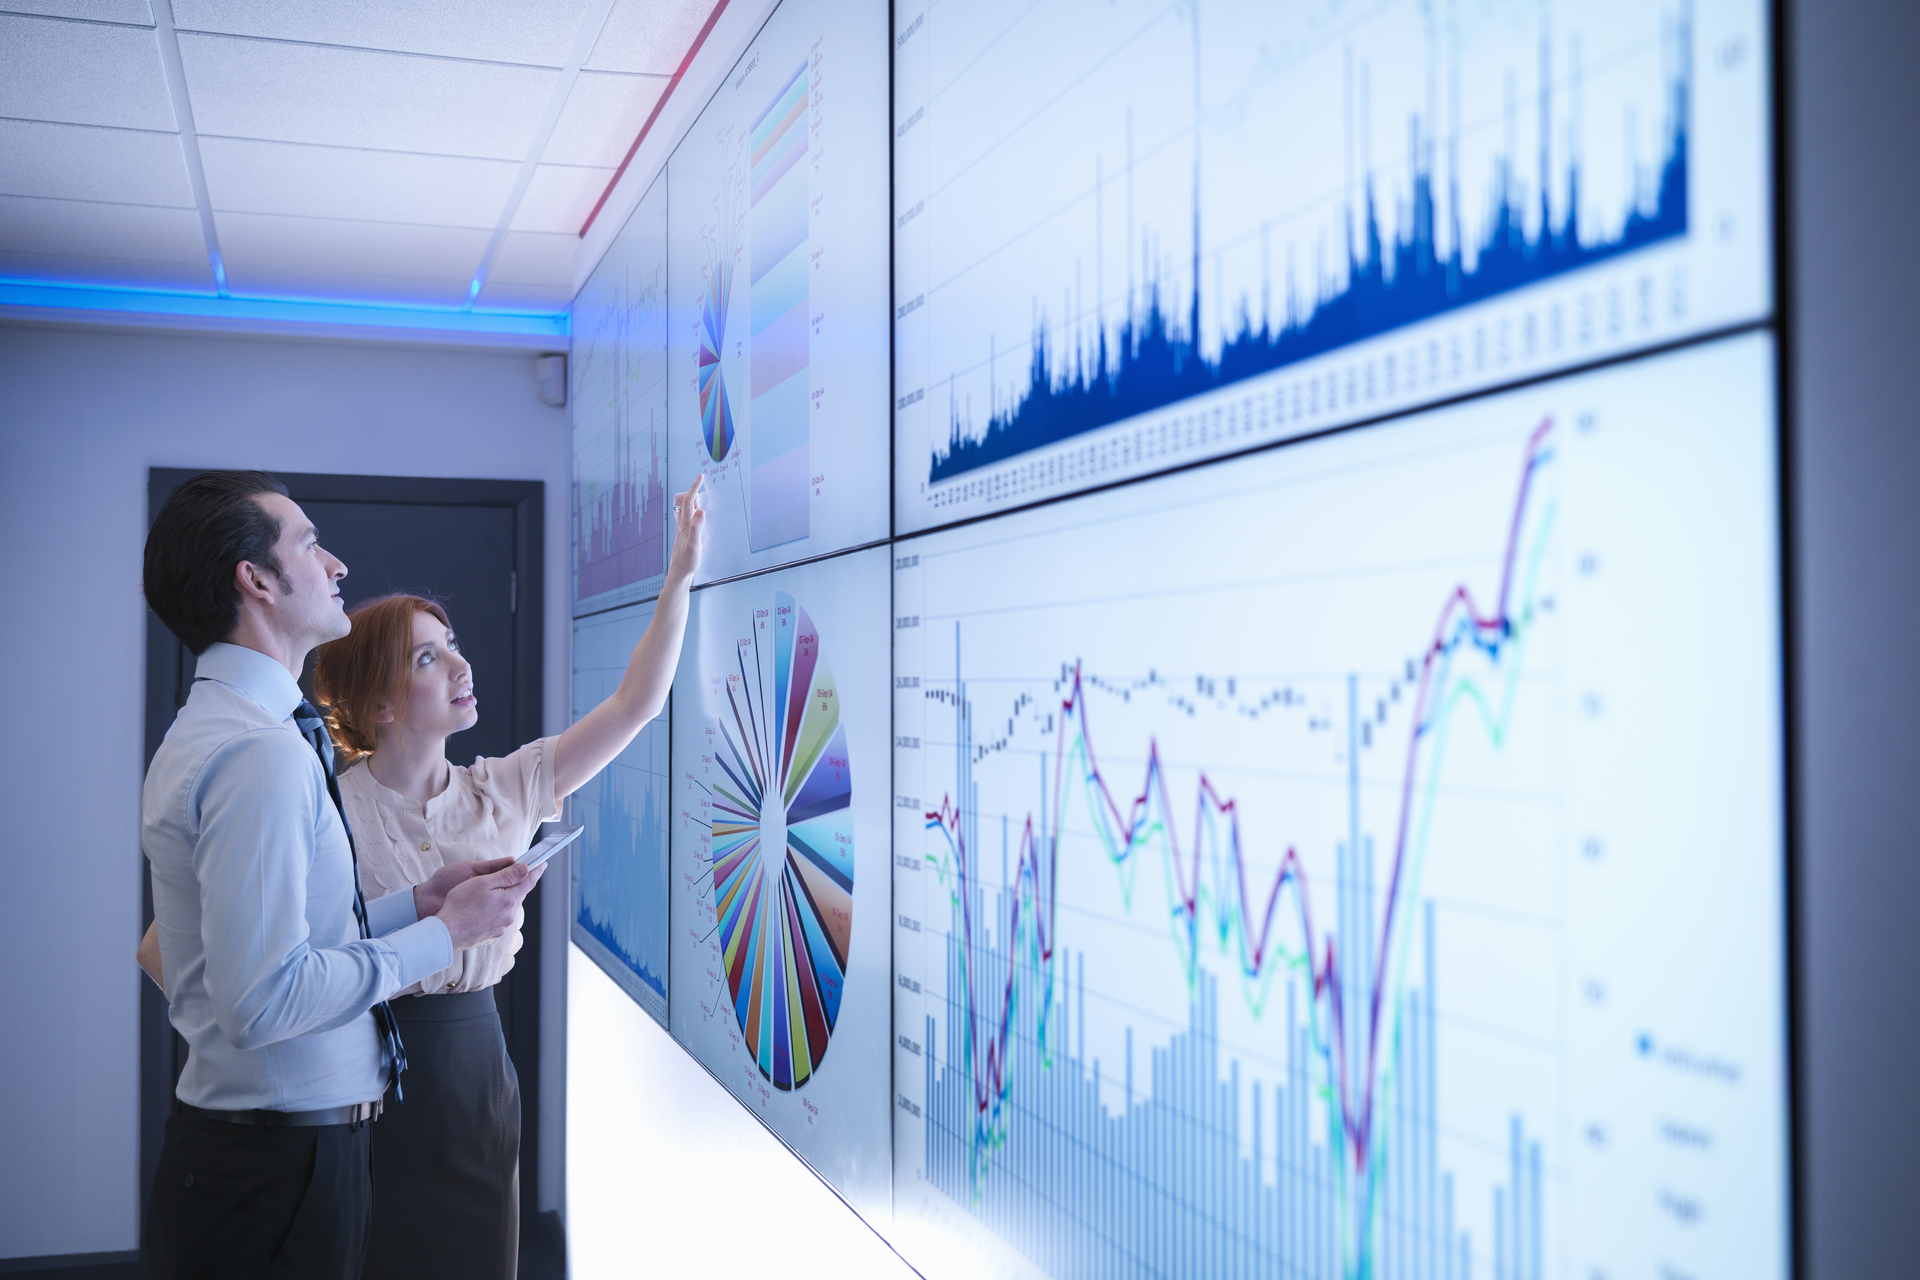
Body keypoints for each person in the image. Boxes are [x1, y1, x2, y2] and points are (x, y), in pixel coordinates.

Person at [139, 471, 545, 1280]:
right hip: (277, 1173)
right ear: (254, 581)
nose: (338, 567)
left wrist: (409, 908)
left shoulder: (234, 728)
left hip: (268, 1160)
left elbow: (283, 946)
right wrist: (442, 935)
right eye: (310, 545)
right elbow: (262, 1003)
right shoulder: (258, 751)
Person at [308, 474, 706, 1278]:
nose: (459, 664)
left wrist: (681, 578)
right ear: (381, 704)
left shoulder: (507, 786)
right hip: (361, 1071)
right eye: (427, 656)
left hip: (478, 1067)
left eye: (452, 645)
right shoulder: (326, 807)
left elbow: (637, 703)